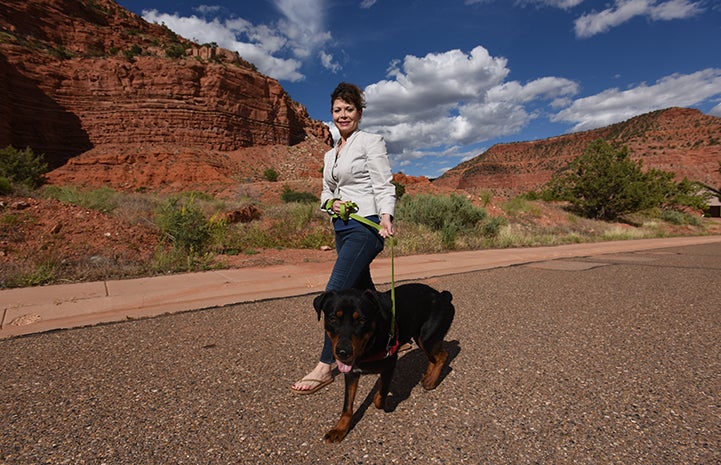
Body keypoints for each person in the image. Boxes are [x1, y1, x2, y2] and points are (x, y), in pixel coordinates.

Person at [291, 82, 396, 394]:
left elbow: (383, 183)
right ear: (332, 114)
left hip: (366, 227)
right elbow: (325, 192)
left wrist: (386, 216)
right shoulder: (329, 156)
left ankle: (326, 366)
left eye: (349, 109)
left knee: (336, 290)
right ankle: (391, 339)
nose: (343, 114)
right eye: (338, 110)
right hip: (342, 228)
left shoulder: (370, 142)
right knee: (366, 293)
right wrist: (331, 203)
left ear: (359, 113)